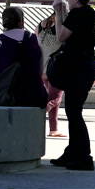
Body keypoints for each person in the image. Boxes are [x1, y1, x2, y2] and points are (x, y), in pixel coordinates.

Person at [48, 0, 95, 171]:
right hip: (83, 68)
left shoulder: (79, 14)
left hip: (77, 69)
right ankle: (73, 152)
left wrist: (58, 12)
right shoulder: (91, 14)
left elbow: (61, 36)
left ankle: (84, 155)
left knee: (74, 111)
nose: (66, 0)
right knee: (72, 110)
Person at [0, 6, 47, 107]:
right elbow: (39, 71)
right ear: (21, 21)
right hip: (35, 96)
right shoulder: (35, 40)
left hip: (6, 97)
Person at [37, 9, 66, 138]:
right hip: (56, 68)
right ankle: (41, 112)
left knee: (54, 98)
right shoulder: (62, 29)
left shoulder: (41, 24)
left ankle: (53, 129)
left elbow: (36, 42)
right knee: (56, 98)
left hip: (42, 67)